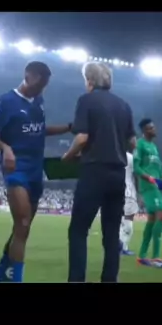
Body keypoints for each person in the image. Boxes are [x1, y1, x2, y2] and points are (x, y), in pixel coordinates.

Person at [0, 61, 72, 283]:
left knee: (23, 227)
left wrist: (69, 128)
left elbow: (40, 130)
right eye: (40, 84)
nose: (42, 89)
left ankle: (3, 269)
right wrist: (5, 147)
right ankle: (16, 278)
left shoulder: (38, 102)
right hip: (16, 169)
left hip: (36, 169)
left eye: (45, 85)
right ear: (28, 76)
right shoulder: (7, 101)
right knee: (22, 223)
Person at [63, 62, 136, 283]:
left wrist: (68, 156)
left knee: (78, 230)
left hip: (94, 172)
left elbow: (82, 138)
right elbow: (132, 142)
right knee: (111, 234)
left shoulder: (87, 100)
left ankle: (76, 280)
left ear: (90, 81)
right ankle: (109, 279)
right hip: (117, 175)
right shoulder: (124, 105)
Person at [134, 118, 162, 268]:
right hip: (149, 185)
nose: (154, 130)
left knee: (152, 219)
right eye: (150, 128)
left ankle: (142, 256)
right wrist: (149, 178)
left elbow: (159, 169)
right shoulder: (140, 144)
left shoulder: (154, 147)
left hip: (156, 185)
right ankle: (156, 257)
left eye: (154, 127)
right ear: (144, 131)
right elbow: (136, 167)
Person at [119, 151, 138, 255]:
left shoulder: (129, 157)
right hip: (125, 192)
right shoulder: (130, 157)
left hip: (125, 192)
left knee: (125, 224)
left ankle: (122, 247)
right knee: (125, 224)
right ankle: (121, 247)